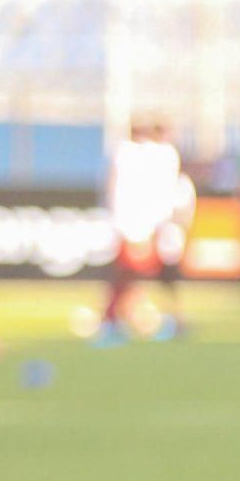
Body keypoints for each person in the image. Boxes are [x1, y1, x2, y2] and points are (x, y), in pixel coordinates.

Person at [97, 120, 191, 346]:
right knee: (130, 274)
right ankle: (116, 320)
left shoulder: (150, 155)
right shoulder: (145, 154)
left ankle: (117, 321)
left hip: (146, 225)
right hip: (143, 224)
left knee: (140, 274)